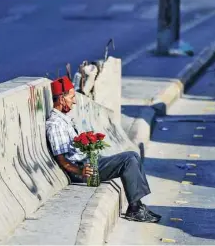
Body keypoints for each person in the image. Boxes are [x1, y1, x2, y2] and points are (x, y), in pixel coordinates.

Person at [45, 76, 161, 223]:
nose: (74, 101)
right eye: (72, 97)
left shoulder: (63, 120)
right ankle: (134, 209)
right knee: (129, 160)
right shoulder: (55, 125)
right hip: (84, 169)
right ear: (61, 99)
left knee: (133, 155)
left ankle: (138, 205)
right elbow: (61, 160)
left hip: (89, 163)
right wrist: (80, 171)